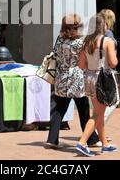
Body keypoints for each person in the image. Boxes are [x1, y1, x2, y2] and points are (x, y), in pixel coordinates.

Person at [45, 14, 100, 149]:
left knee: (58, 109)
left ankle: (52, 139)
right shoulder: (81, 42)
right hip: (77, 78)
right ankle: (91, 139)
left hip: (61, 76)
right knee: (83, 110)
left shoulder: (59, 40)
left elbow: (55, 55)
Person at [76, 15, 118, 157]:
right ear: (103, 26)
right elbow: (113, 63)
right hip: (102, 79)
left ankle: (105, 144)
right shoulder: (107, 41)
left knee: (98, 111)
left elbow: (81, 65)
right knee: (98, 114)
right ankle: (82, 142)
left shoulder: (86, 42)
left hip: (89, 78)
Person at [98, 9, 118, 127]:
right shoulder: (108, 34)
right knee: (113, 101)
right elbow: (112, 59)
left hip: (95, 70)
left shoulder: (95, 33)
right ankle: (97, 127)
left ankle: (99, 130)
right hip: (106, 70)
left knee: (102, 103)